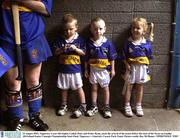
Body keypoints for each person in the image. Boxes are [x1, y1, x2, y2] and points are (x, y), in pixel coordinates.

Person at [0, 0, 52, 131]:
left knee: (33, 81)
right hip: (5, 38)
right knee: (13, 84)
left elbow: (45, 9)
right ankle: (16, 118)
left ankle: (34, 116)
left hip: (33, 36)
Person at [53, 14, 87, 118]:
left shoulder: (80, 40)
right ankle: (64, 105)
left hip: (75, 70)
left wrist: (75, 49)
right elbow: (55, 52)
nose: (68, 32)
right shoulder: (59, 39)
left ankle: (83, 106)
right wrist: (62, 49)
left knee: (78, 88)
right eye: (66, 30)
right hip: (63, 70)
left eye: (71, 29)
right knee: (64, 88)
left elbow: (84, 53)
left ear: (76, 27)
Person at [85, 17, 117, 118]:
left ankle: (106, 107)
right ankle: (94, 106)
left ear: (104, 29)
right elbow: (86, 58)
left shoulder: (108, 43)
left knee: (105, 89)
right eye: (95, 28)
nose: (98, 31)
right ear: (91, 29)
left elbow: (112, 58)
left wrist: (112, 69)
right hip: (93, 70)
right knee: (93, 89)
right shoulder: (89, 43)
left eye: (100, 28)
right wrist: (86, 69)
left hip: (104, 71)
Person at [121, 17, 153, 117]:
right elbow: (123, 56)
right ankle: (127, 105)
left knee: (139, 87)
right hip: (131, 68)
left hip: (141, 69)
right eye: (133, 28)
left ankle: (138, 105)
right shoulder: (128, 43)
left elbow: (148, 57)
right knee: (128, 87)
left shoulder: (147, 44)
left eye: (138, 28)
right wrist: (126, 64)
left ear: (144, 30)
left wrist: (144, 66)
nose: (135, 30)